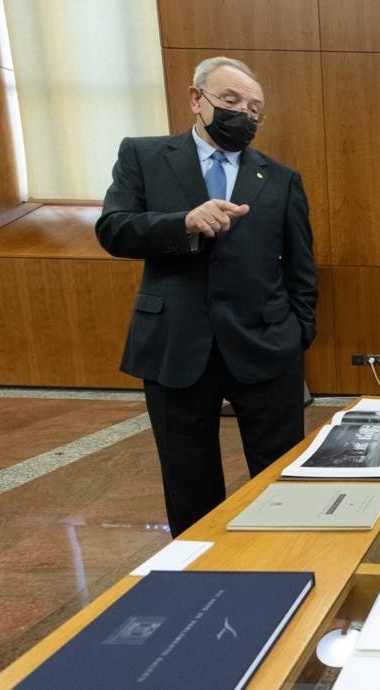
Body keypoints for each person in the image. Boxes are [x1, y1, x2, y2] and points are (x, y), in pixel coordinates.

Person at [97, 57, 317, 537]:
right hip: (175, 344)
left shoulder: (279, 178)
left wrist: (300, 331)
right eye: (232, 101)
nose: (246, 114)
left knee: (280, 474)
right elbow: (113, 230)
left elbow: (301, 264)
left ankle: (281, 564)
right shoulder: (144, 156)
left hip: (266, 343)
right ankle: (200, 572)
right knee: (187, 476)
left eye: (256, 108)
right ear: (197, 100)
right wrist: (182, 223)